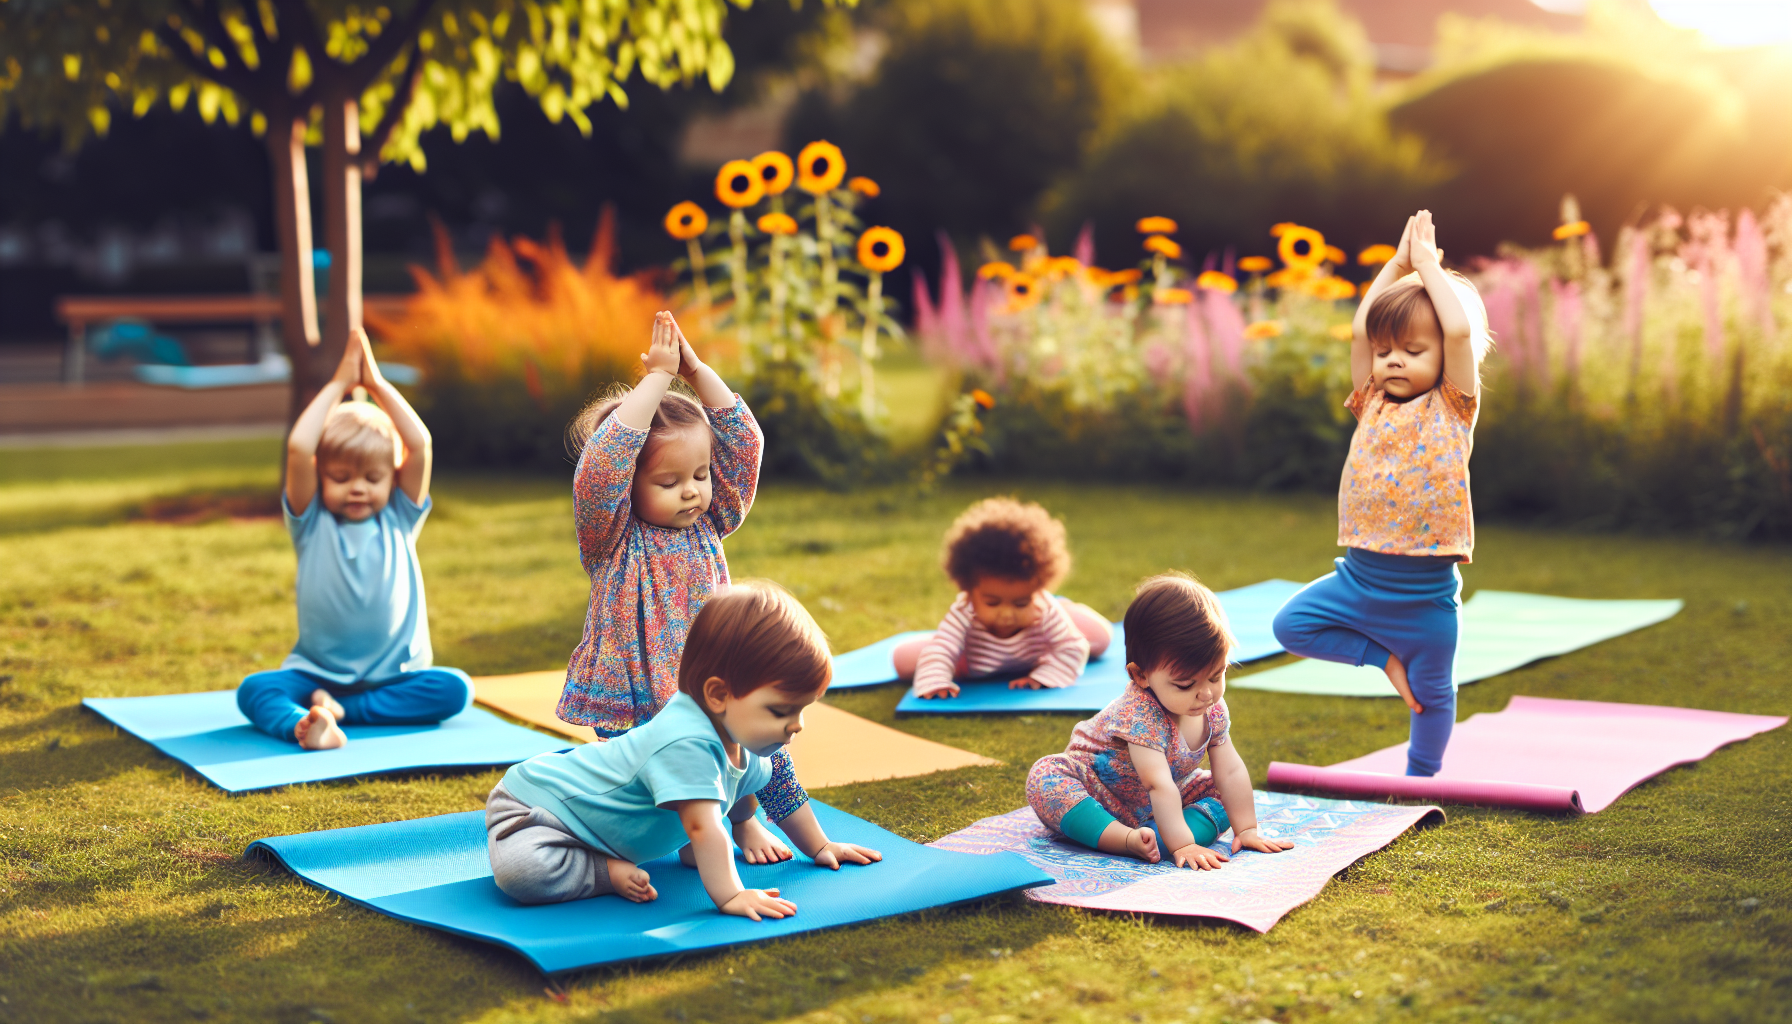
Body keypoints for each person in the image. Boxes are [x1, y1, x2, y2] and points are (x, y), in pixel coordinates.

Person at [553, 311, 801, 861]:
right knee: (649, 773)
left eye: (700, 475)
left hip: (712, 670)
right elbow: (603, 466)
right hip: (638, 683)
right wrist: (656, 380)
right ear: (630, 485)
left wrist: (694, 372)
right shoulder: (611, 534)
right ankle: (645, 839)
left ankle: (745, 822)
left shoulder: (714, 519)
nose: (691, 492)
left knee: (742, 740)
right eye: (669, 481)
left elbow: (746, 443)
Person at [489, 582, 882, 913]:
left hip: (594, 816)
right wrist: (731, 894)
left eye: (801, 710)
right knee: (523, 873)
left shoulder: (747, 735)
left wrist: (821, 846)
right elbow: (704, 826)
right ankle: (602, 872)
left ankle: (615, 861)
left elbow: (761, 790)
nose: (796, 725)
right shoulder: (685, 742)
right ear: (718, 695)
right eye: (781, 710)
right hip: (540, 808)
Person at [1271, 209, 1491, 777]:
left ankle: (1422, 776)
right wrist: (1394, 264)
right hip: (1359, 581)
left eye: (1413, 350)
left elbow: (1461, 330)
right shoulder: (1369, 400)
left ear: (1443, 356)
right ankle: (1383, 659)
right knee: (1288, 627)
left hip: (1427, 600)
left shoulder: (1454, 406)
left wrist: (1426, 268)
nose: (1393, 358)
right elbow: (1358, 329)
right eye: (1385, 349)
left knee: (1434, 696)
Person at [237, 328, 470, 749]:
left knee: (455, 689)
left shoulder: (400, 516)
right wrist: (338, 385)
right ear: (322, 477)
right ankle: (304, 724)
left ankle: (340, 711)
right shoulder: (311, 522)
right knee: (254, 691)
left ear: (393, 478)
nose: (358, 488)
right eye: (341, 478)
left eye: (372, 478)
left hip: (397, 673)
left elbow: (419, 446)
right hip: (316, 673)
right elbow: (298, 447)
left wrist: (375, 385)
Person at [1026, 573, 1293, 867]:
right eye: (1184, 685)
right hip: (1095, 794)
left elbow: (1230, 772)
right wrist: (1185, 845)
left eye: (1217, 675)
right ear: (1141, 676)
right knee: (1045, 778)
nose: (1205, 693)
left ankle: (1153, 839)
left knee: (1223, 793)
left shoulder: (1212, 708)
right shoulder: (1139, 713)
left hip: (1158, 804)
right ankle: (1125, 840)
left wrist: (1247, 829)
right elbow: (1157, 784)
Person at [894, 497, 1111, 699]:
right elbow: (942, 648)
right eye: (992, 602)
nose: (1007, 614)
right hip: (973, 662)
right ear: (969, 592)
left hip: (1036, 654)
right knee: (903, 660)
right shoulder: (964, 609)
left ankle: (1066, 607)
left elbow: (1072, 646)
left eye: (1020, 603)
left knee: (1100, 639)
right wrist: (936, 681)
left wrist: (1044, 676)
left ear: (1036, 592)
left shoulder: (1043, 607)